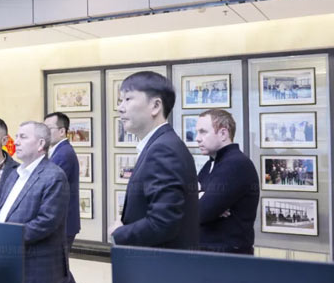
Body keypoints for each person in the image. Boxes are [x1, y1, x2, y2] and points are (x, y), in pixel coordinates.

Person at [0, 121, 69, 283]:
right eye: (16, 136)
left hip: (36, 267)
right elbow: (0, 209)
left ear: (41, 143)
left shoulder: (54, 176)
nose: (16, 141)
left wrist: (7, 237)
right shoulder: (14, 173)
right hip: (10, 263)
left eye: (23, 137)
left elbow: (46, 221)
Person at [110, 71, 199, 248]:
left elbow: (163, 222)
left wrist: (119, 233)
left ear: (156, 106)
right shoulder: (161, 144)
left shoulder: (163, 149)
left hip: (159, 261)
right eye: (121, 100)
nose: (120, 108)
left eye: (128, 99)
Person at [44, 112, 90, 283]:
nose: (44, 133)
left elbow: (48, 184)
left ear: (62, 131)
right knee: (60, 263)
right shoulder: (58, 151)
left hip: (63, 222)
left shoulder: (64, 154)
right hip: (63, 221)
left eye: (49, 129)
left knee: (58, 265)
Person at [195, 109, 259, 254]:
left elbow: (200, 212)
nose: (197, 138)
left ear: (223, 134)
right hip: (210, 254)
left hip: (228, 258)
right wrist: (200, 197)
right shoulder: (211, 163)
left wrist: (201, 199)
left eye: (203, 132)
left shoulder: (235, 164)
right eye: (197, 132)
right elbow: (189, 199)